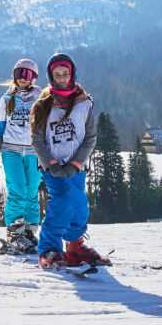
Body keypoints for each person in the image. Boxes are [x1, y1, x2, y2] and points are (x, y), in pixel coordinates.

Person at [30, 53, 108, 269]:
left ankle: (74, 247)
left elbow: (90, 137)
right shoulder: (43, 104)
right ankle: (49, 249)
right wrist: (51, 163)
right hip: (53, 167)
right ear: (51, 77)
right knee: (62, 201)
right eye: (57, 75)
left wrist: (76, 163)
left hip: (76, 167)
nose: (62, 78)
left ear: (72, 73)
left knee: (80, 206)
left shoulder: (84, 103)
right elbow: (36, 139)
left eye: (65, 73)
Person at [0, 58, 43, 254]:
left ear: (34, 77)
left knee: (32, 191)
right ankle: (14, 232)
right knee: (17, 189)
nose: (23, 78)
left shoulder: (41, 99)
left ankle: (29, 231)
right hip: (11, 150)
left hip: (34, 151)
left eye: (27, 74)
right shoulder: (7, 99)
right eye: (19, 73)